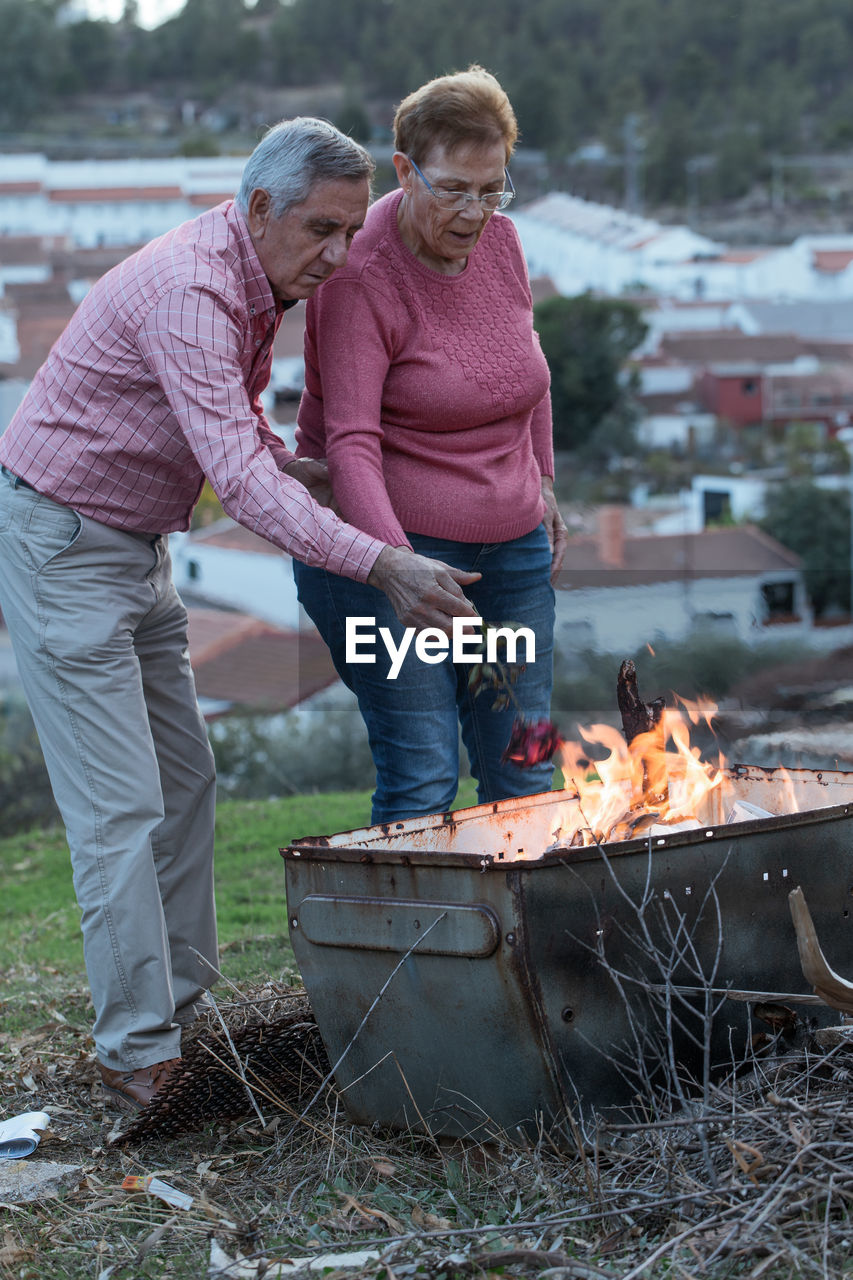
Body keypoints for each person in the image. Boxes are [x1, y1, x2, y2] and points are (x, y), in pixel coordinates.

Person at [0, 117, 479, 1113]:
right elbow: (244, 491)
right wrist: (383, 561)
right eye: (320, 230)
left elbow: (234, 426)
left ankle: (177, 1013)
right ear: (259, 207)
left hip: (134, 547)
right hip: (63, 551)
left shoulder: (253, 276)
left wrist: (306, 467)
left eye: (351, 231)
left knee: (185, 781)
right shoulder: (193, 291)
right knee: (120, 811)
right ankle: (138, 1055)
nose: (338, 255)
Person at [293, 68, 568, 824]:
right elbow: (348, 442)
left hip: (510, 561)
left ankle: (525, 941)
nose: (474, 211)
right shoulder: (360, 276)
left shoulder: (502, 243)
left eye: (491, 189)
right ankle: (421, 943)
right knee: (423, 773)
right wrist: (396, 568)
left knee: (524, 764)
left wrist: (542, 481)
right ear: (405, 169)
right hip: (384, 566)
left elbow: (527, 369)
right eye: (452, 188)